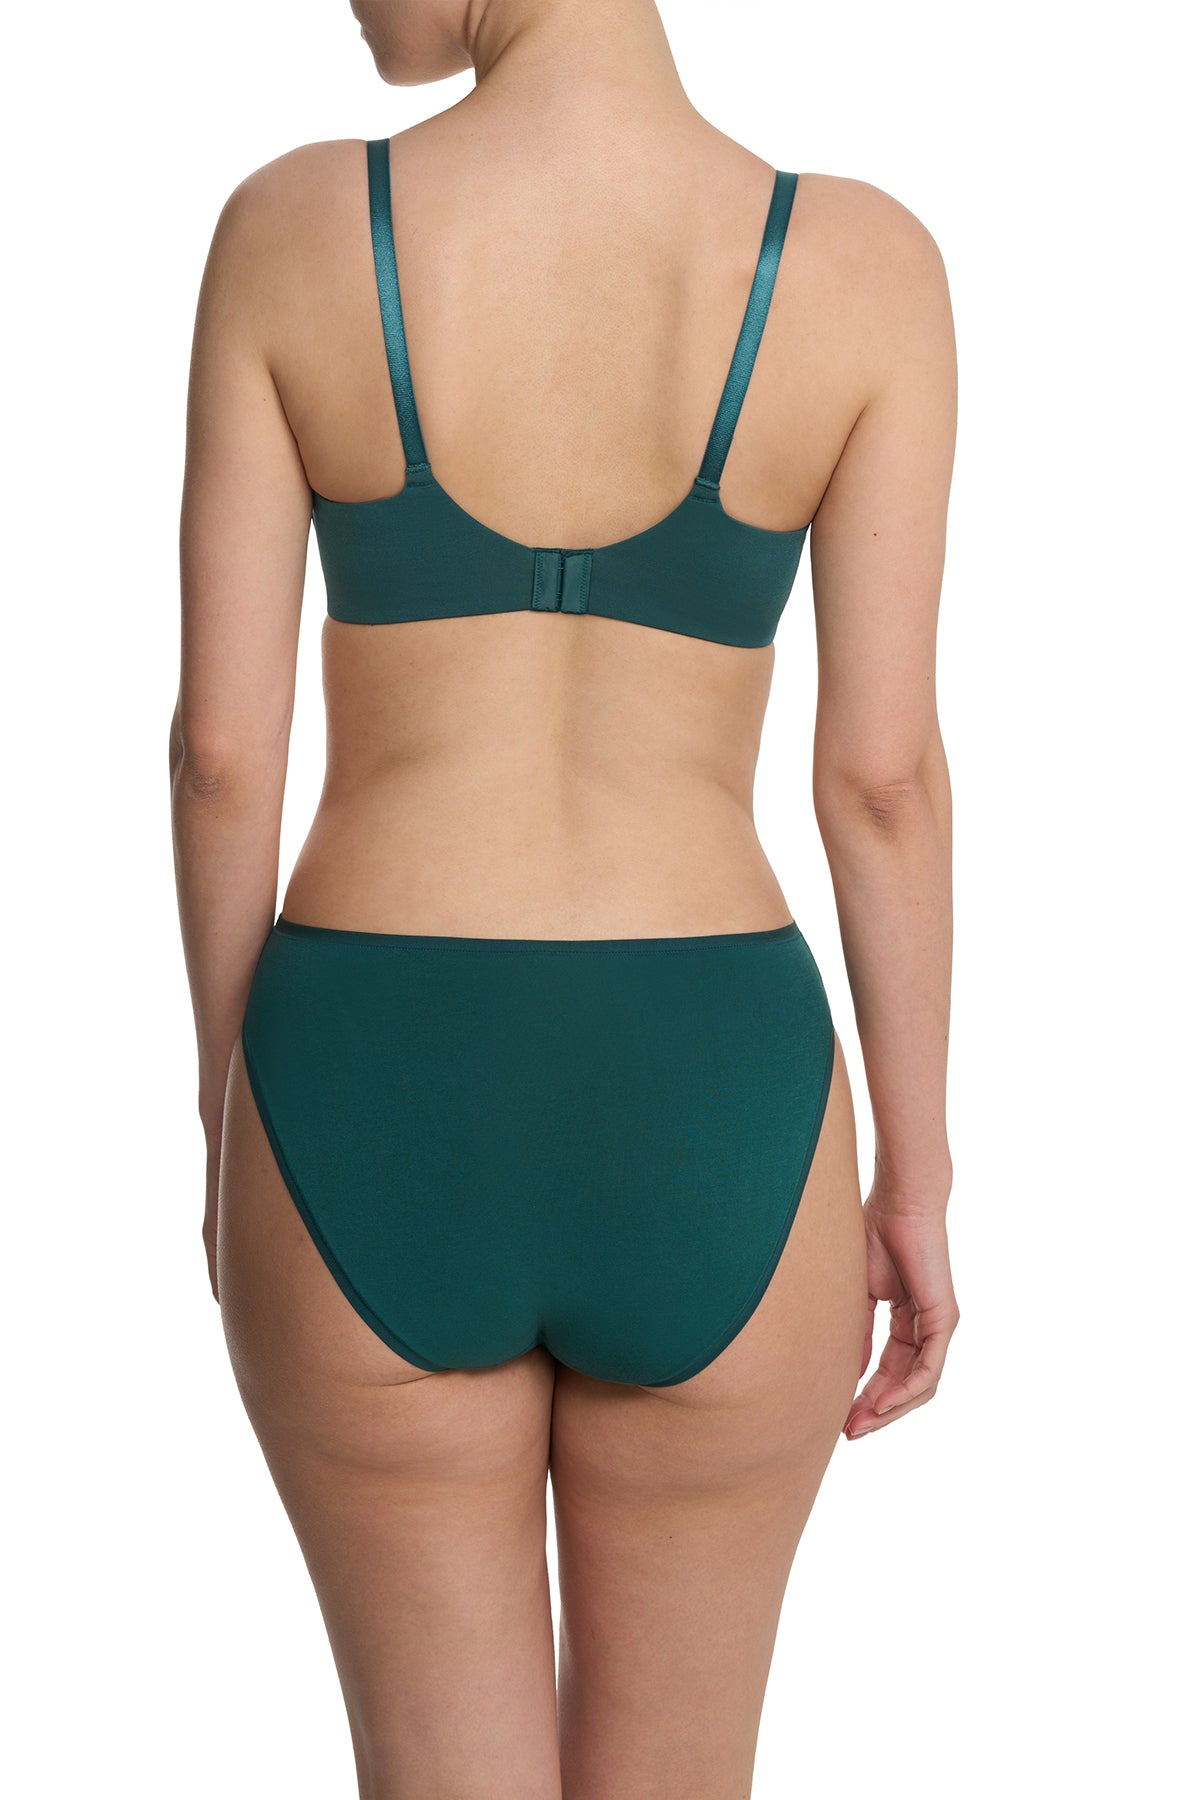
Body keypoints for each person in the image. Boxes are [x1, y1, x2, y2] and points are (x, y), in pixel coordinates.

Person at [171, 0, 959, 1791]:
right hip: (712, 1095)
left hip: (368, 1069)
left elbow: (221, 755)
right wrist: (912, 1175)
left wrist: (233, 1120)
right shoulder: (862, 265)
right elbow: (880, 781)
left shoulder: (294, 231)